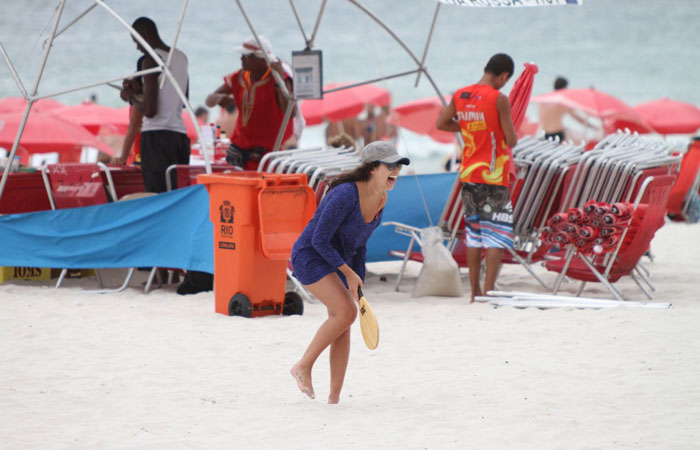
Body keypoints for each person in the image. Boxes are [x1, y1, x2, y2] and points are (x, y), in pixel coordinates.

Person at [290, 141, 409, 404]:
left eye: (398, 166)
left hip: (337, 260)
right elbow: (319, 239)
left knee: (343, 323)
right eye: (390, 166)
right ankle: (303, 366)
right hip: (310, 256)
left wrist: (359, 283)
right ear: (371, 168)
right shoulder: (345, 194)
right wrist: (347, 272)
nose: (396, 171)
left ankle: (334, 399)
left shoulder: (381, 198)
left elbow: (360, 245)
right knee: (346, 313)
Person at [435, 53, 518, 303]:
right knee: (495, 234)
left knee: (474, 233)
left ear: (485, 68)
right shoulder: (499, 99)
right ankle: (490, 290)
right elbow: (511, 139)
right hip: (494, 174)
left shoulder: (461, 95)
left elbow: (441, 123)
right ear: (504, 76)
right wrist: (490, 127)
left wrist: (470, 126)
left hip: (469, 173)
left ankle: (474, 293)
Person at [120, 16, 190, 193]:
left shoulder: (149, 60)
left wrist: (130, 97)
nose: (137, 47)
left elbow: (150, 111)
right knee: (176, 194)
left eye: (136, 41)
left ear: (144, 36)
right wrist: (141, 90)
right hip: (179, 137)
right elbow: (183, 99)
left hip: (156, 137)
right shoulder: (181, 57)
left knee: (156, 195)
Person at [205, 35, 294, 170]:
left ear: (262, 59)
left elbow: (290, 112)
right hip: (239, 151)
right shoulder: (238, 77)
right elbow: (209, 100)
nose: (242, 59)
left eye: (247, 56)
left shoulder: (279, 79)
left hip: (268, 154)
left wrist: (280, 80)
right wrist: (218, 98)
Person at [112, 56, 145, 166]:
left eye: (130, 85)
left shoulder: (139, 100)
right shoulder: (143, 99)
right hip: (143, 151)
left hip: (142, 153)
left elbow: (133, 128)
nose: (127, 87)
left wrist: (123, 158)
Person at [538, 76, 590, 142]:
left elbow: (541, 117)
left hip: (543, 134)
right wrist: (592, 126)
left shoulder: (543, 100)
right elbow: (577, 117)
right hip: (557, 134)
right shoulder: (563, 102)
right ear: (565, 88)